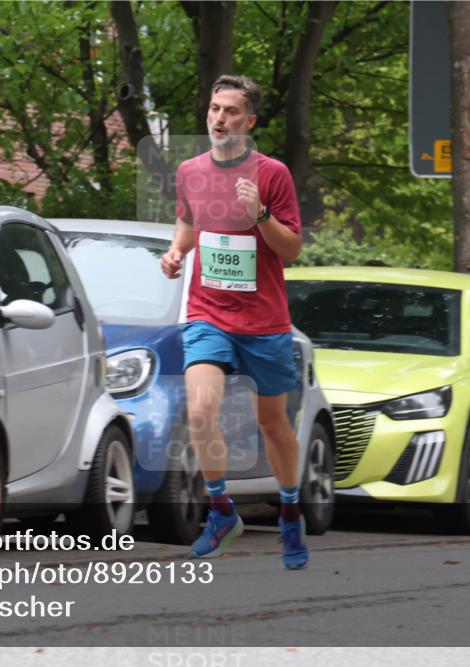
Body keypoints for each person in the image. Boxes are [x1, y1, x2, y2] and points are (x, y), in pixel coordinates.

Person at [160, 74, 307, 570]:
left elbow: (291, 248)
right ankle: (221, 511)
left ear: (250, 121)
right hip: (208, 313)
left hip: (264, 320)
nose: (219, 119)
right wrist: (176, 252)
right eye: (214, 109)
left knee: (274, 425)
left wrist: (260, 213)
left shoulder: (273, 174)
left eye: (230, 111)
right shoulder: (190, 171)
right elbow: (188, 221)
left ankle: (290, 512)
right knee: (201, 410)